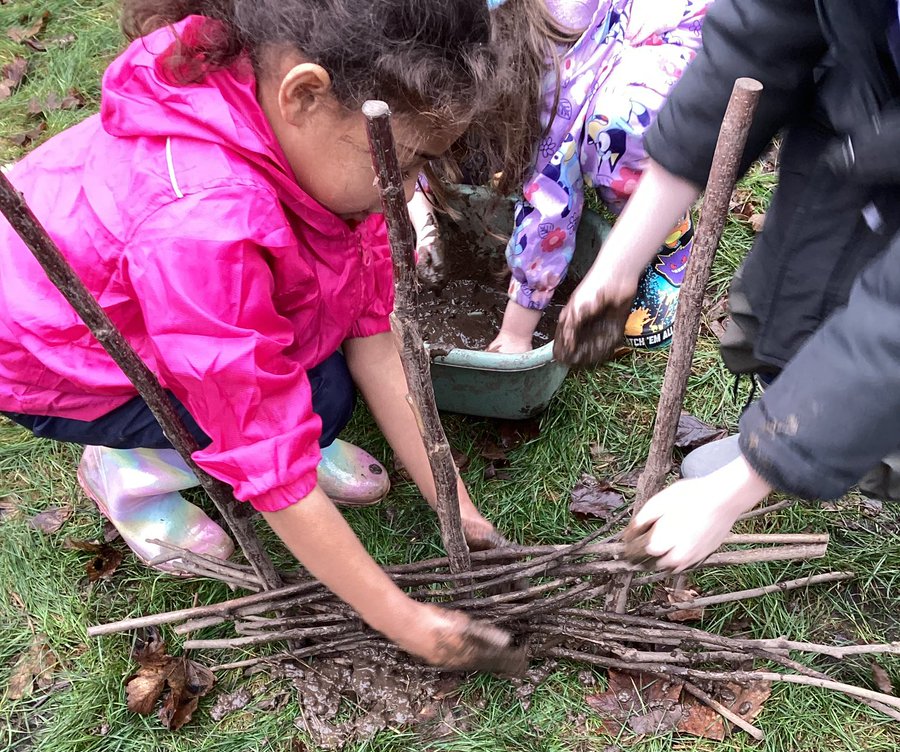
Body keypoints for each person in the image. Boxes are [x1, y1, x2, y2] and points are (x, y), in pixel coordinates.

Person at [0, 0, 519, 671]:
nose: (410, 185)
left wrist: (461, 504)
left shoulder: (324, 138)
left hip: (164, 296)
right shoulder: (201, 227)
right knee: (299, 413)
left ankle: (288, 436)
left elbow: (372, 337)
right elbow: (263, 447)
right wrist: (409, 622)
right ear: (304, 93)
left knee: (324, 395)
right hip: (56, 356)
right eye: (410, 158)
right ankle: (125, 470)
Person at [556, 0, 900, 571]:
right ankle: (799, 436)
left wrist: (737, 488)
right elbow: (756, 38)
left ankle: (844, 450)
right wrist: (618, 264)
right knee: (792, 304)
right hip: (860, 129)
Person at [486, 0, 708, 356]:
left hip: (688, 34)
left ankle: (667, 232)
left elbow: (552, 195)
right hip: (611, 26)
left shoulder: (551, 63)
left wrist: (516, 330)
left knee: (615, 135)